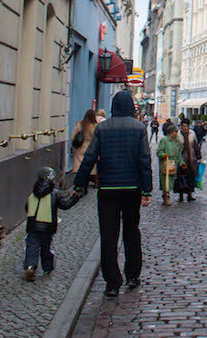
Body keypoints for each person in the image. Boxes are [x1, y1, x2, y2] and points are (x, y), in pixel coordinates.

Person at [74, 90, 152, 297]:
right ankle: (133, 275)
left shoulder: (103, 128)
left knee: (108, 236)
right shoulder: (139, 128)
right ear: (130, 107)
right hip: (131, 189)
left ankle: (112, 282)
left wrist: (79, 183)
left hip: (108, 188)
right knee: (131, 232)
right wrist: (147, 190)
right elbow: (144, 161)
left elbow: (89, 157)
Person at [23, 167, 79, 282]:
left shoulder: (33, 193)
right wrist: (75, 197)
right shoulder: (55, 194)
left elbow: (27, 207)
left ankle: (30, 267)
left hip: (33, 225)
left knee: (31, 247)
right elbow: (65, 205)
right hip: (47, 226)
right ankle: (47, 268)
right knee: (45, 247)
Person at [174, 118, 201, 202]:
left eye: (186, 126)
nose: (185, 128)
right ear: (181, 126)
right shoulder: (178, 135)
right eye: (183, 126)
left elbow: (195, 146)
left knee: (191, 177)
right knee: (181, 177)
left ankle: (190, 194)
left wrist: (199, 156)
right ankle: (181, 195)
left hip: (191, 159)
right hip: (181, 159)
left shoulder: (192, 134)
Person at [70, 109, 98, 187]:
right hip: (90, 148)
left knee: (79, 165)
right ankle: (91, 180)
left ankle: (80, 182)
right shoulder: (94, 126)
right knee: (90, 166)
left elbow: (73, 137)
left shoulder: (80, 125)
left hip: (80, 148)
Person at [156, 123, 181, 206]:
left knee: (171, 180)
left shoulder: (177, 141)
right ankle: (166, 197)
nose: (176, 133)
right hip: (165, 164)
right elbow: (159, 151)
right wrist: (164, 155)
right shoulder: (164, 140)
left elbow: (179, 153)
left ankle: (166, 194)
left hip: (174, 163)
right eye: (175, 132)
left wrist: (181, 162)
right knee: (165, 181)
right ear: (171, 132)